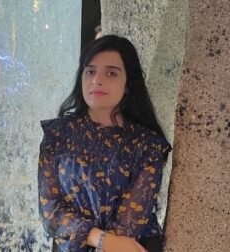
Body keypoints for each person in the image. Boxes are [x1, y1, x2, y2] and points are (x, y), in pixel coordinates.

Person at [38, 35, 172, 252]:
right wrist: (99, 238)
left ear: (128, 83)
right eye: (90, 71)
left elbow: (129, 226)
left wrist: (105, 241)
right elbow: (50, 210)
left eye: (111, 73)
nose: (96, 80)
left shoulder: (148, 145)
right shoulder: (57, 135)